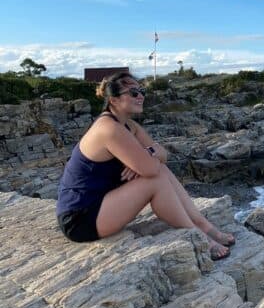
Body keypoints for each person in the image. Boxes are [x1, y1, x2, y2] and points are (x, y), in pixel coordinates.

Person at [56, 71, 234, 259]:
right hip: (81, 218)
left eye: (141, 91)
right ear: (114, 100)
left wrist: (147, 155)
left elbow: (162, 154)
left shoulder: (129, 125)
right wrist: (148, 158)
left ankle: (205, 226)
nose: (140, 96)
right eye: (133, 93)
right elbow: (150, 168)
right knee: (154, 180)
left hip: (103, 204)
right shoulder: (108, 128)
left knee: (160, 170)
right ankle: (199, 236)